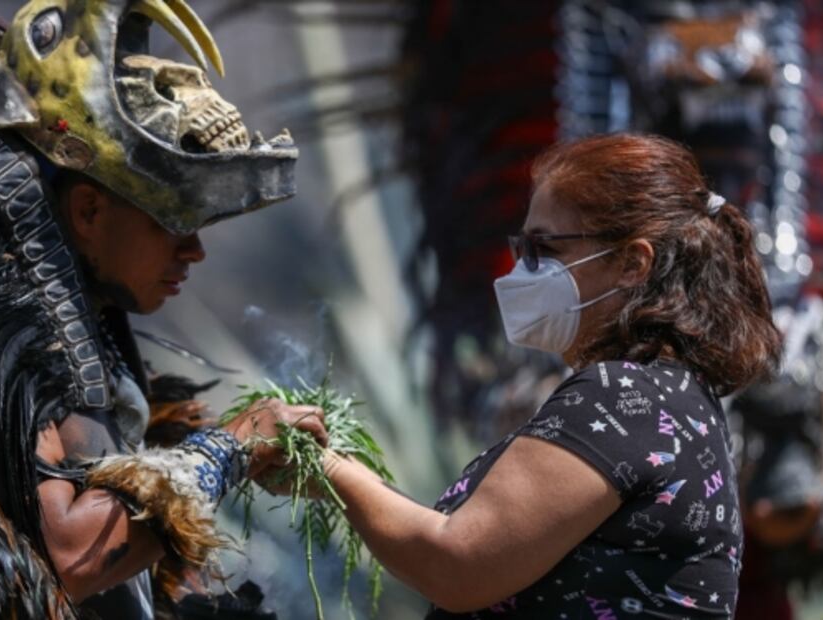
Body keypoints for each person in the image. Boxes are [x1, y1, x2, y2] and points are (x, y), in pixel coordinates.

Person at [0, 1, 323, 618]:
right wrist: (228, 451)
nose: (195, 251)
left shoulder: (74, 287)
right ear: (90, 211)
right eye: (173, 223)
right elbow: (68, 556)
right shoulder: (5, 306)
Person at [315, 133, 781, 618]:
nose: (521, 270)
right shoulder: (671, 397)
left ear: (631, 264)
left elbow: (458, 565)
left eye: (543, 248)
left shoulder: (624, 397)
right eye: (522, 247)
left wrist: (329, 470)